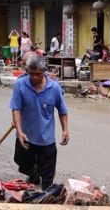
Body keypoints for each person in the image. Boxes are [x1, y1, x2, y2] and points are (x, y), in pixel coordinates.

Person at [10, 54, 69, 188]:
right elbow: (16, 109)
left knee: (48, 176)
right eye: (32, 74)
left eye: (38, 74)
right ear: (27, 72)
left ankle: (45, 198)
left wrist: (65, 130)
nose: (35, 77)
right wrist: (19, 131)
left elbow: (62, 110)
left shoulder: (54, 88)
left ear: (44, 72)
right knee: (22, 164)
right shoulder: (20, 84)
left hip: (46, 139)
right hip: (26, 136)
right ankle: (34, 177)